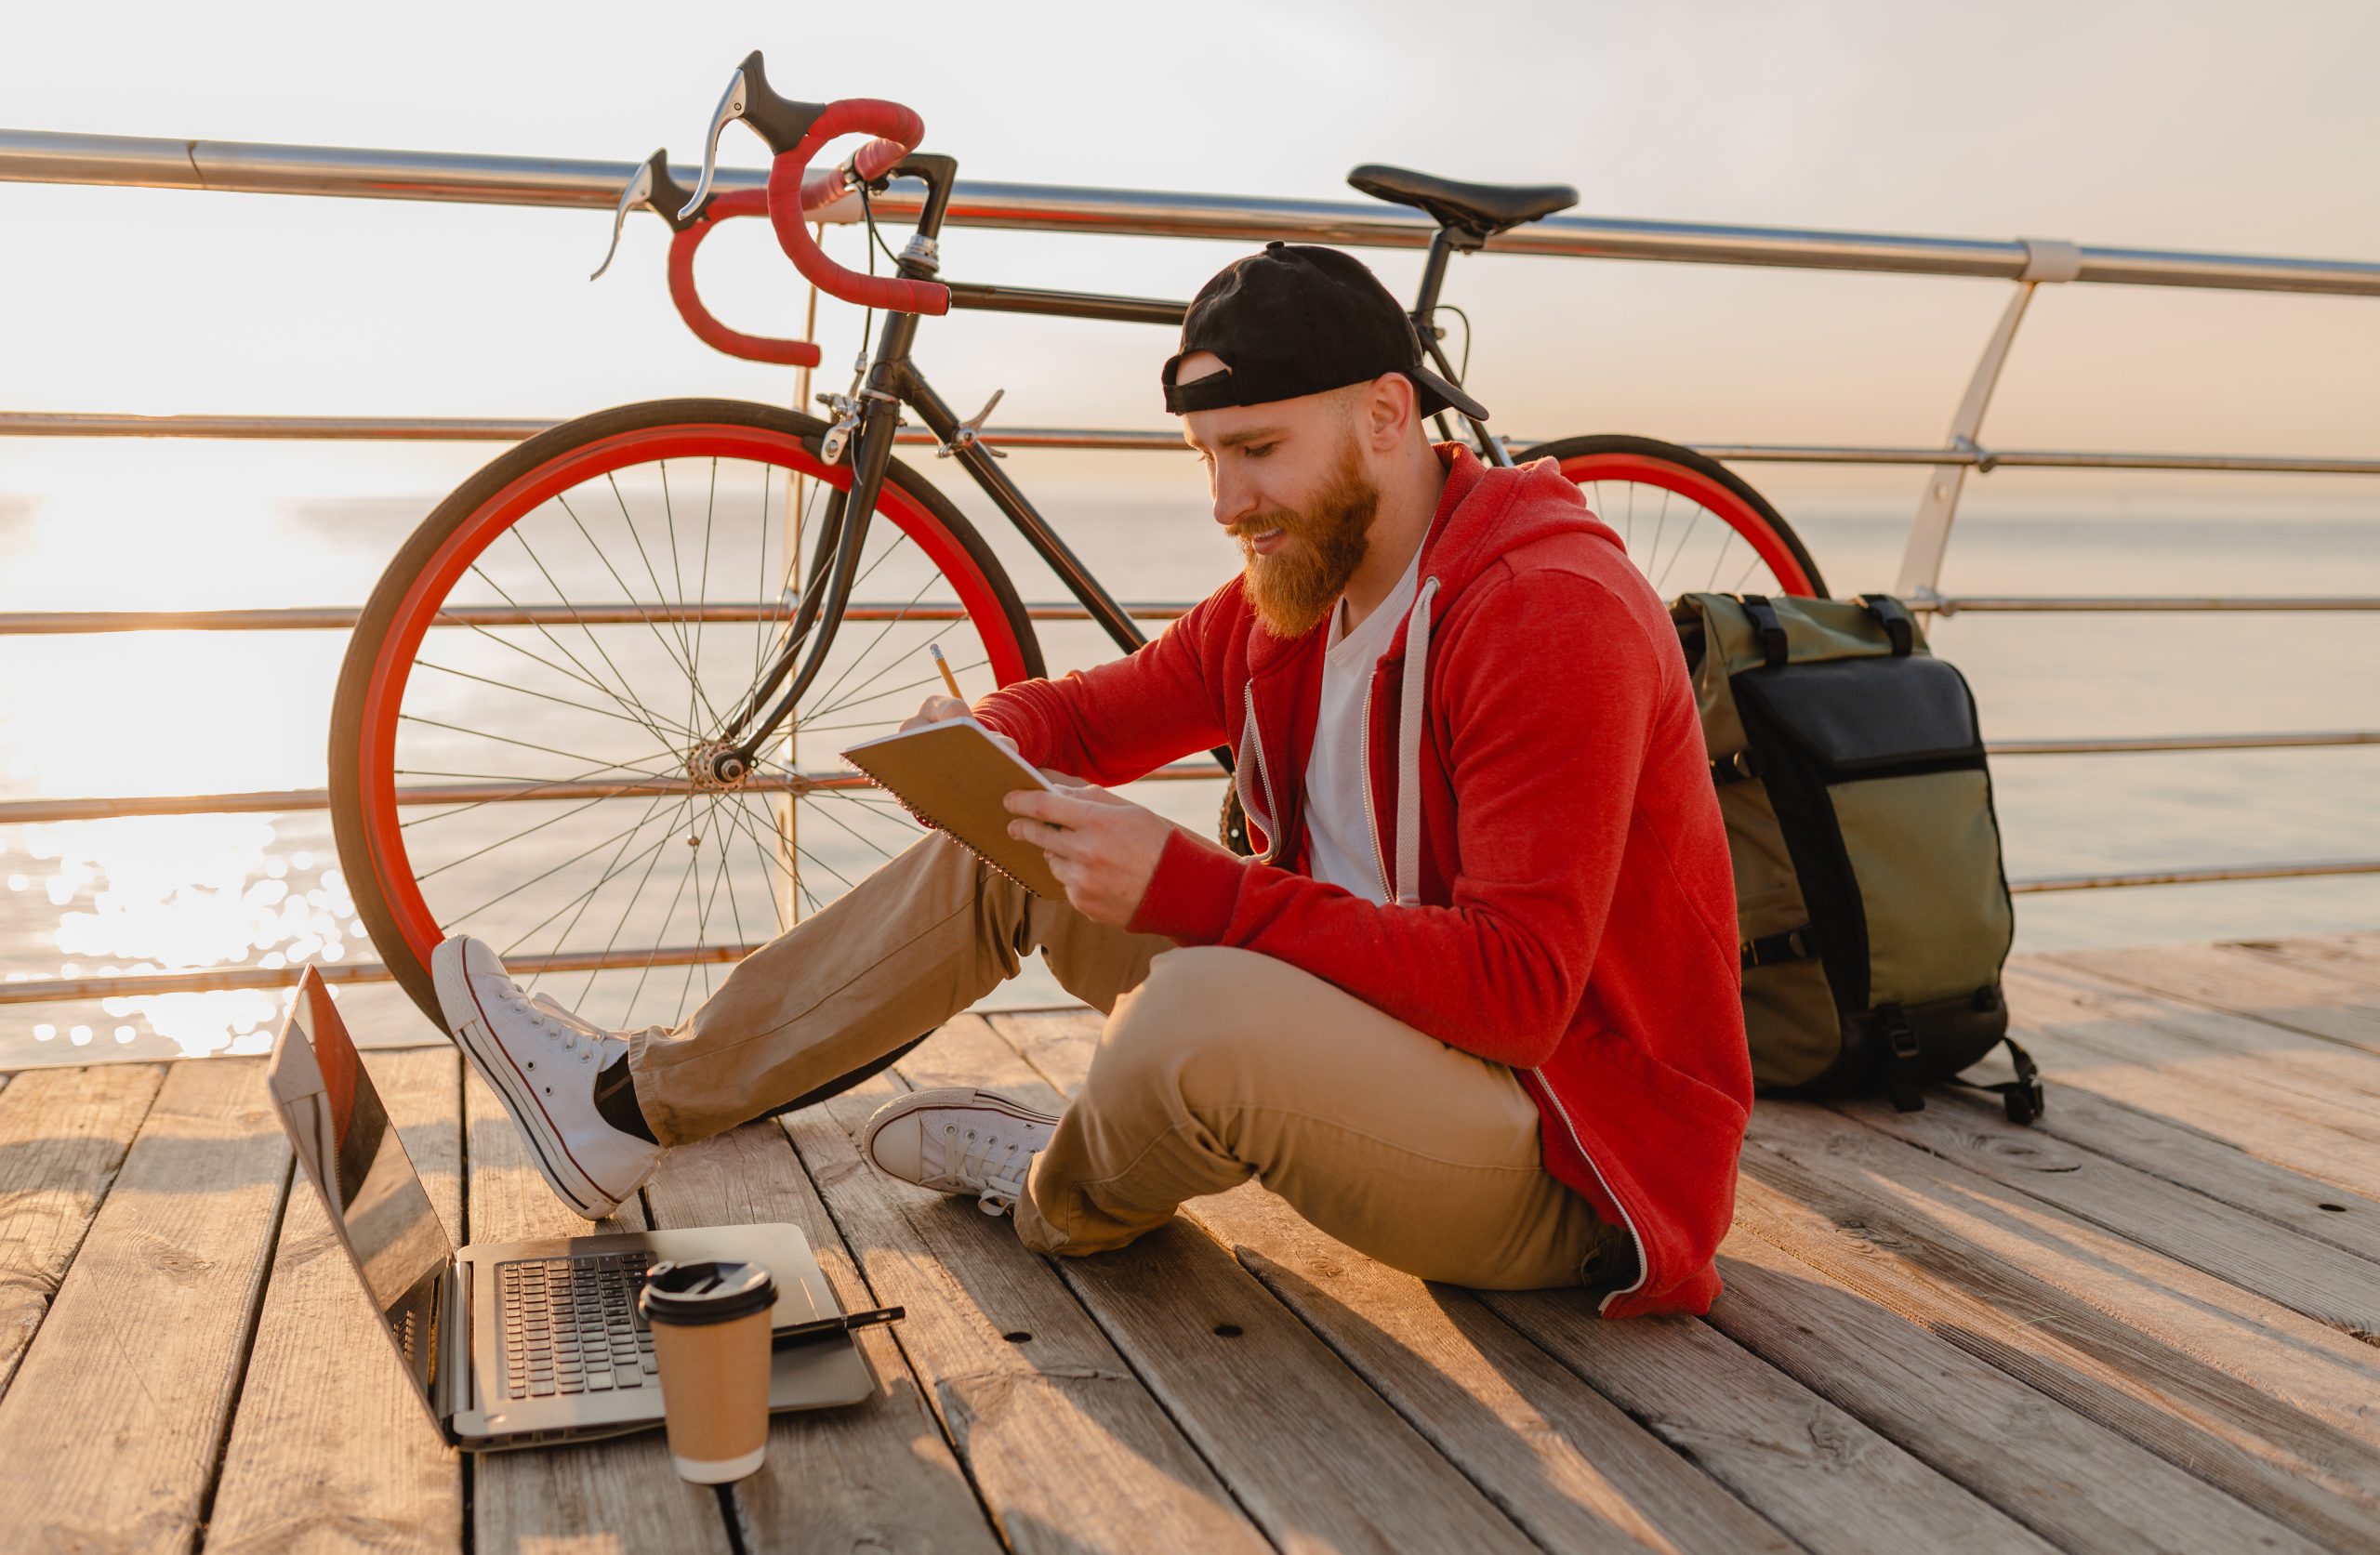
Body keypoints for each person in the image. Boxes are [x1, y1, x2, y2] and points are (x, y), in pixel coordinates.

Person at [435, 241, 1751, 1316]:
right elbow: (1099, 716)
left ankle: (1050, 1189)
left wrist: (1206, 893)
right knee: (1019, 831)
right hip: (1384, 1044)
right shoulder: (1299, 588)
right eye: (1207, 460)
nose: (1228, 502)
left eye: (1259, 451)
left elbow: (1518, 997)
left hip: (1563, 1155)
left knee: (1192, 1018)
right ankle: (630, 1104)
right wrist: (992, 733)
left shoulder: (1543, 612)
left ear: (1387, 415)